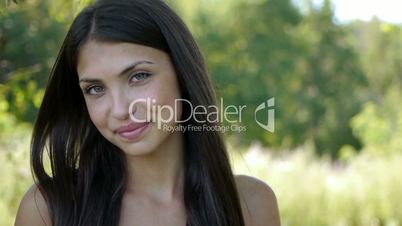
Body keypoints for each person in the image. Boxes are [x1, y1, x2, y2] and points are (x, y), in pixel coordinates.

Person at [14, 0, 280, 225]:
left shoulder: (251, 205)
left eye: (138, 76)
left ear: (182, 73)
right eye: (95, 88)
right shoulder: (47, 210)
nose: (119, 110)